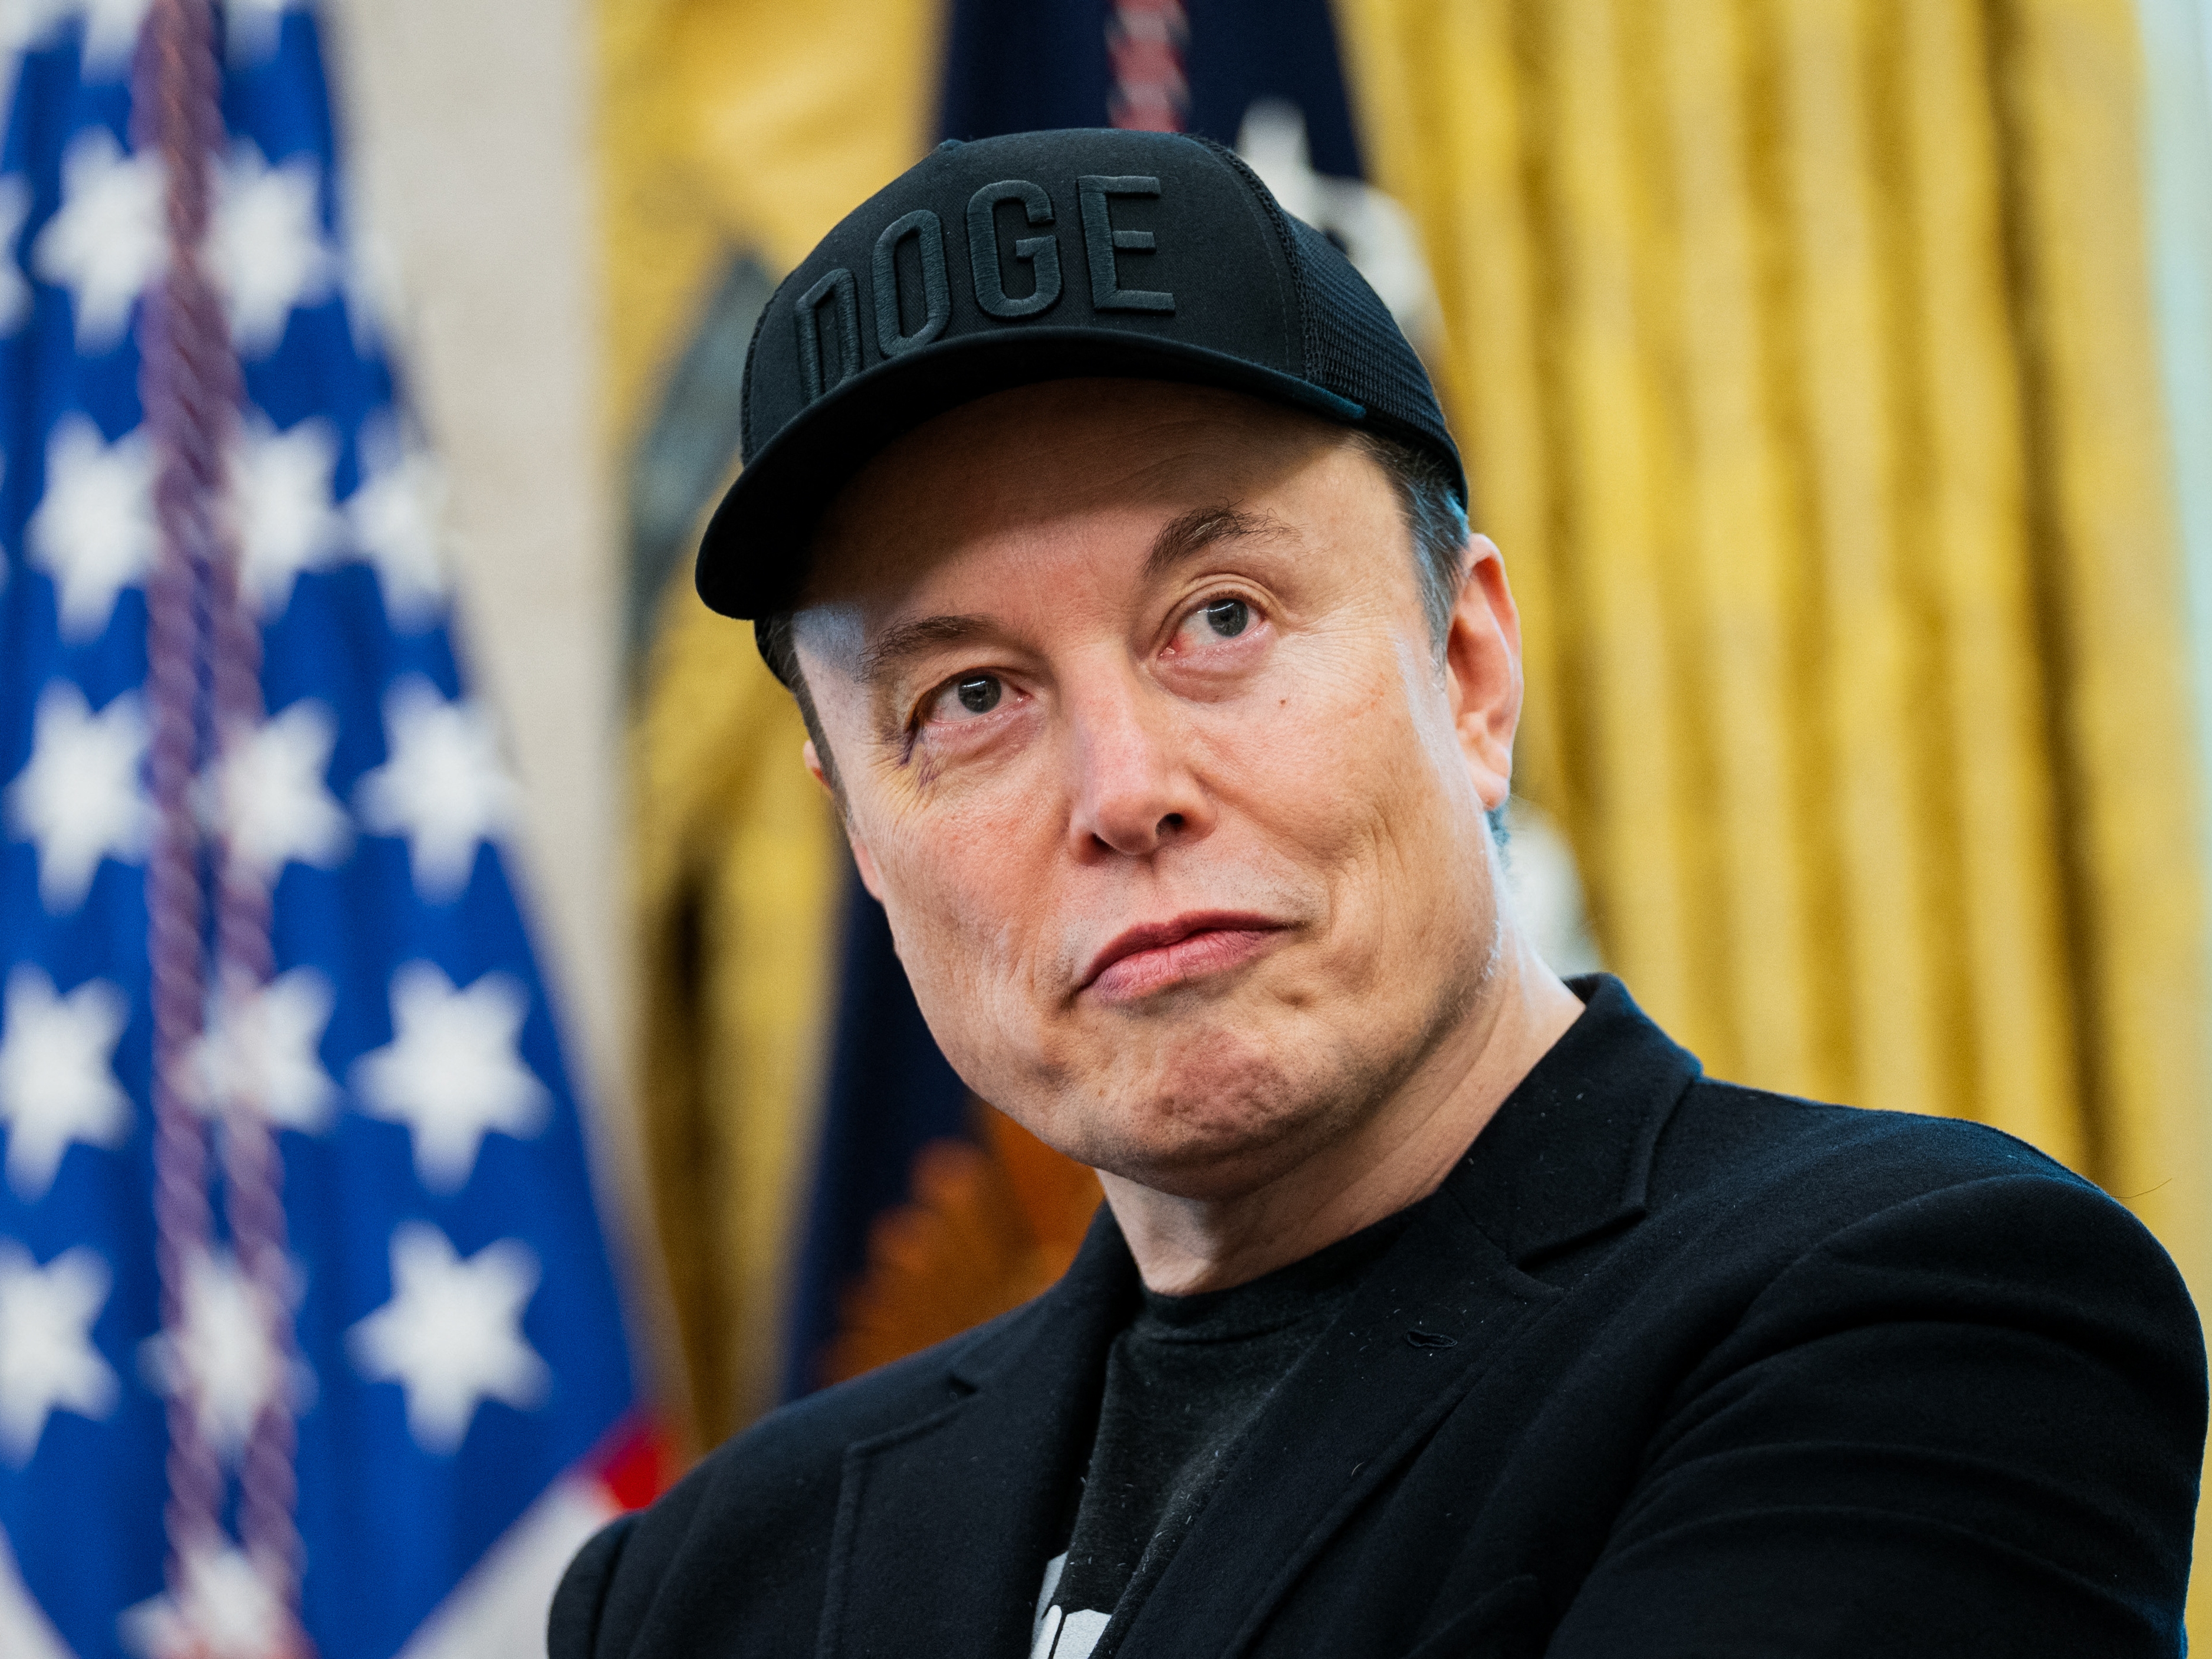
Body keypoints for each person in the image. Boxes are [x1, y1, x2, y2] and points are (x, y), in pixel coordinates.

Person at [554, 127, 2206, 1658]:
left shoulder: (1924, 1323)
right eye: (968, 698)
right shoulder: (698, 1589)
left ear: (1470, 672)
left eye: (1220, 616)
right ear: (861, 830)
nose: (1125, 792)